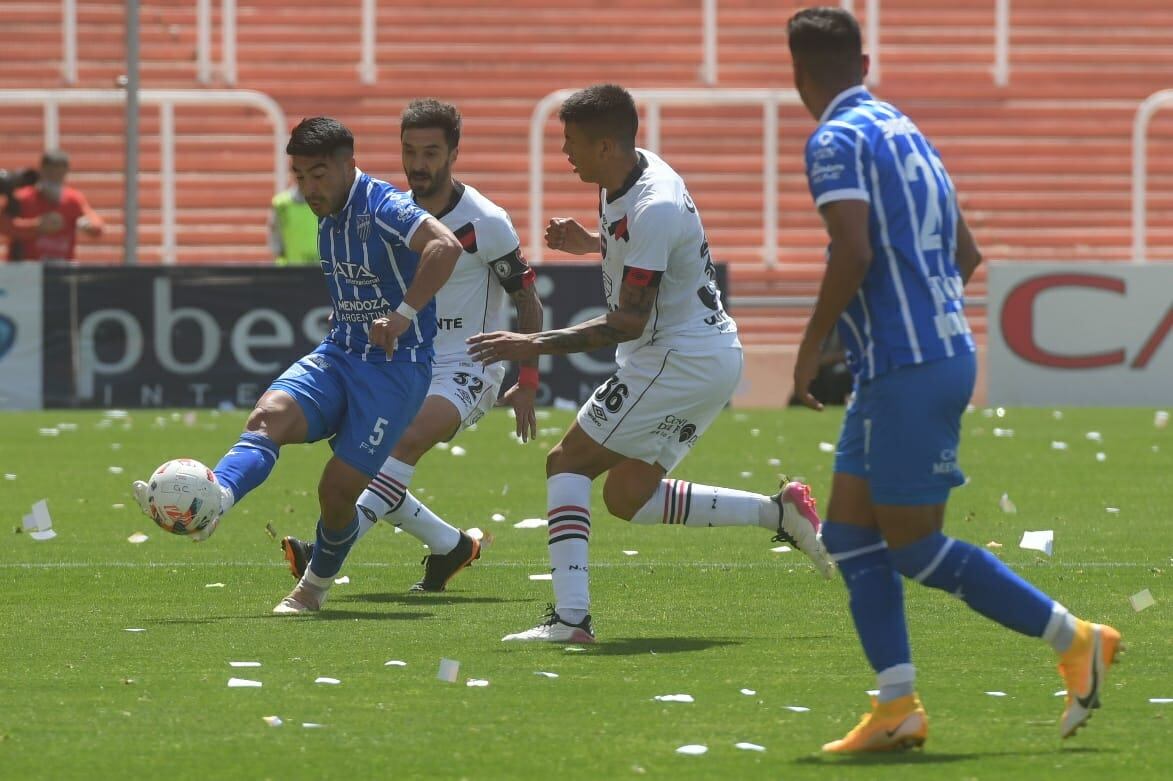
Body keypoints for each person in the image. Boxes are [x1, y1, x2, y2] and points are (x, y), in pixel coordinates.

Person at [785, 7, 1121, 753]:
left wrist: (812, 346)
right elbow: (965, 252)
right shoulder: (904, 129)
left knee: (914, 546)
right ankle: (897, 704)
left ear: (796, 73)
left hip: (906, 367)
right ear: (862, 63)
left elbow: (851, 250)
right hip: (921, 354)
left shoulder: (834, 140)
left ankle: (1076, 637)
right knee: (847, 530)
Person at [467, 84, 834, 644]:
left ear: (607, 145)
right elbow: (643, 252)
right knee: (626, 497)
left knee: (566, 464)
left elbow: (626, 323)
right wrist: (590, 242)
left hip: (673, 360)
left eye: (572, 144)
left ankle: (570, 621)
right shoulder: (631, 176)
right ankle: (779, 514)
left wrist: (528, 346)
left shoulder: (654, 203)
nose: (565, 154)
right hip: (702, 357)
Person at [131, 117, 463, 614]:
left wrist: (401, 315)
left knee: (336, 491)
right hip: (340, 353)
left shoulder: (385, 205)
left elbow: (446, 246)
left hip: (395, 370)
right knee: (269, 417)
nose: (308, 187)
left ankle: (315, 585)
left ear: (350, 164)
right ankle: (215, 499)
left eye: (319, 174)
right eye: (300, 175)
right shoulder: (327, 212)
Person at [280, 98, 545, 593]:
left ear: (453, 154)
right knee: (370, 458)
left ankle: (326, 555)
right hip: (405, 359)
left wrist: (526, 379)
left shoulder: (486, 221)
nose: (418, 165)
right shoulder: (393, 212)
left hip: (470, 363)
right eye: (409, 151)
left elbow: (528, 301)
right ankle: (451, 547)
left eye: (430, 153)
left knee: (402, 443)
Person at [6, 151, 102, 261]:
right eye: (50, 172)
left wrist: (87, 225)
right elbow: (5, 224)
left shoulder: (73, 200)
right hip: (28, 269)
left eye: (59, 173)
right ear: (42, 170)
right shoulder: (24, 198)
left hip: (61, 270)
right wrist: (36, 226)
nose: (55, 177)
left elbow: (97, 227)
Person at [267, 184, 320, 265]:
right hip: (290, 271)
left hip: (321, 272)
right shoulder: (281, 204)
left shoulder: (327, 202)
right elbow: (275, 241)